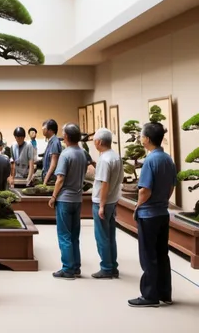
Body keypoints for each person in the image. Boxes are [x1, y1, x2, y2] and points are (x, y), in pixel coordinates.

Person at [129, 122, 177, 308]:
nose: (140, 139)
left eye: (142, 136)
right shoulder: (167, 159)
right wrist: (163, 201)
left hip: (148, 215)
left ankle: (149, 295)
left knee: (148, 255)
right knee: (162, 254)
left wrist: (137, 207)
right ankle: (165, 293)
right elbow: (172, 186)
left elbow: (145, 190)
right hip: (162, 213)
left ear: (147, 139)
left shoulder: (150, 161)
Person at [48, 123, 90, 280]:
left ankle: (67, 269)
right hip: (77, 198)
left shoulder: (66, 154)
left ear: (66, 137)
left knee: (64, 235)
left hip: (65, 198)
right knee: (74, 235)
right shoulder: (83, 153)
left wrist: (53, 197)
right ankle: (76, 266)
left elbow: (60, 178)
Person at [91, 128, 124, 279]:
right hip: (112, 200)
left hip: (102, 202)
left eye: (94, 140)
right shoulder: (116, 156)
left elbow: (105, 183)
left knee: (102, 236)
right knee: (110, 235)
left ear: (99, 142)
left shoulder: (104, 160)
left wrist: (102, 205)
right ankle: (112, 266)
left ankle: (106, 267)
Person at [42, 119, 62, 185]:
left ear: (50, 130)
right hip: (48, 178)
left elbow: (53, 164)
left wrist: (45, 180)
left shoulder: (55, 142)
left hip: (51, 179)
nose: (42, 130)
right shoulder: (51, 141)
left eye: (44, 128)